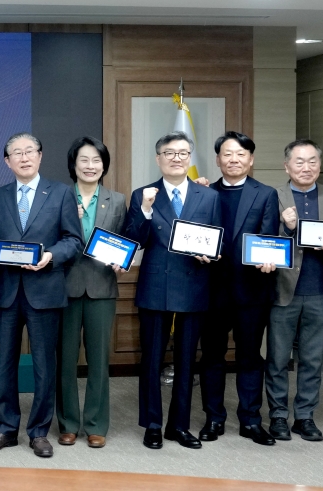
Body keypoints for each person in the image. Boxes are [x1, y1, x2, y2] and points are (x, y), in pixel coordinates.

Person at [0, 132, 83, 459]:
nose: (24, 157)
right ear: (7, 161)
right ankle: (6, 428)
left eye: (29, 151)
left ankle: (38, 432)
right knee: (5, 364)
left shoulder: (61, 193)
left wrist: (50, 256)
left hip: (45, 290)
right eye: (16, 153)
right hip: (8, 291)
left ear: (40, 155)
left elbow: (73, 241)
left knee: (44, 365)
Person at [124, 132, 221, 450]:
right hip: (156, 286)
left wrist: (212, 254)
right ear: (158, 158)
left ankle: (178, 425)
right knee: (151, 360)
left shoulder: (208, 196)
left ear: (190, 157)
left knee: (186, 361)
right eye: (169, 153)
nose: (176, 158)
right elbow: (133, 240)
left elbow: (217, 238)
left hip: (194, 284)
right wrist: (145, 209)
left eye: (182, 153)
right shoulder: (143, 194)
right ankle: (152, 424)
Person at [196, 132, 280, 446]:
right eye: (227, 154)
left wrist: (269, 259)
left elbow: (268, 236)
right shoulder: (204, 192)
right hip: (211, 291)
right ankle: (213, 418)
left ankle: (251, 420)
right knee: (212, 357)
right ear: (218, 160)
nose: (234, 159)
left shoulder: (266, 194)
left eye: (241, 154)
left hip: (252, 290)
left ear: (251, 159)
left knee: (250, 357)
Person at [265, 139, 323, 442]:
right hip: (283, 289)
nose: (306, 167)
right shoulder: (273, 196)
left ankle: (304, 416)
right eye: (299, 161)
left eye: (312, 161)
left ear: (320, 165)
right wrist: (286, 228)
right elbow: (264, 240)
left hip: (321, 290)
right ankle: (277, 415)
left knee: (313, 359)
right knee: (277, 358)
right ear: (287, 166)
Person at [56, 137, 126, 450]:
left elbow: (124, 241)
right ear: (73, 164)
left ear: (104, 165)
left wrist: (123, 261)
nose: (90, 166)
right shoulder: (59, 197)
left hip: (102, 286)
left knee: (99, 361)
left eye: (96, 160)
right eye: (83, 160)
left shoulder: (117, 200)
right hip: (65, 286)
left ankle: (96, 424)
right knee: (65, 360)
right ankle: (68, 424)